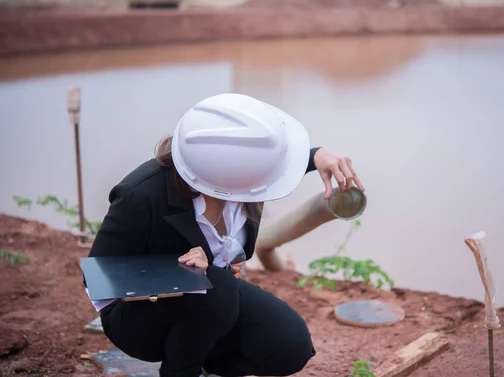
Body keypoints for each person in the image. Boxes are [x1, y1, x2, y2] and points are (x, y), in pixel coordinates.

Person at [85, 93, 365, 377]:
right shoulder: (141, 195)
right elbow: (98, 276)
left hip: (215, 302)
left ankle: (215, 366)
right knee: (215, 288)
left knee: (289, 345)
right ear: (226, 177)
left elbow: (272, 161)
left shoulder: (246, 178)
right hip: (141, 317)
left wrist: (317, 154)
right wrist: (176, 270)